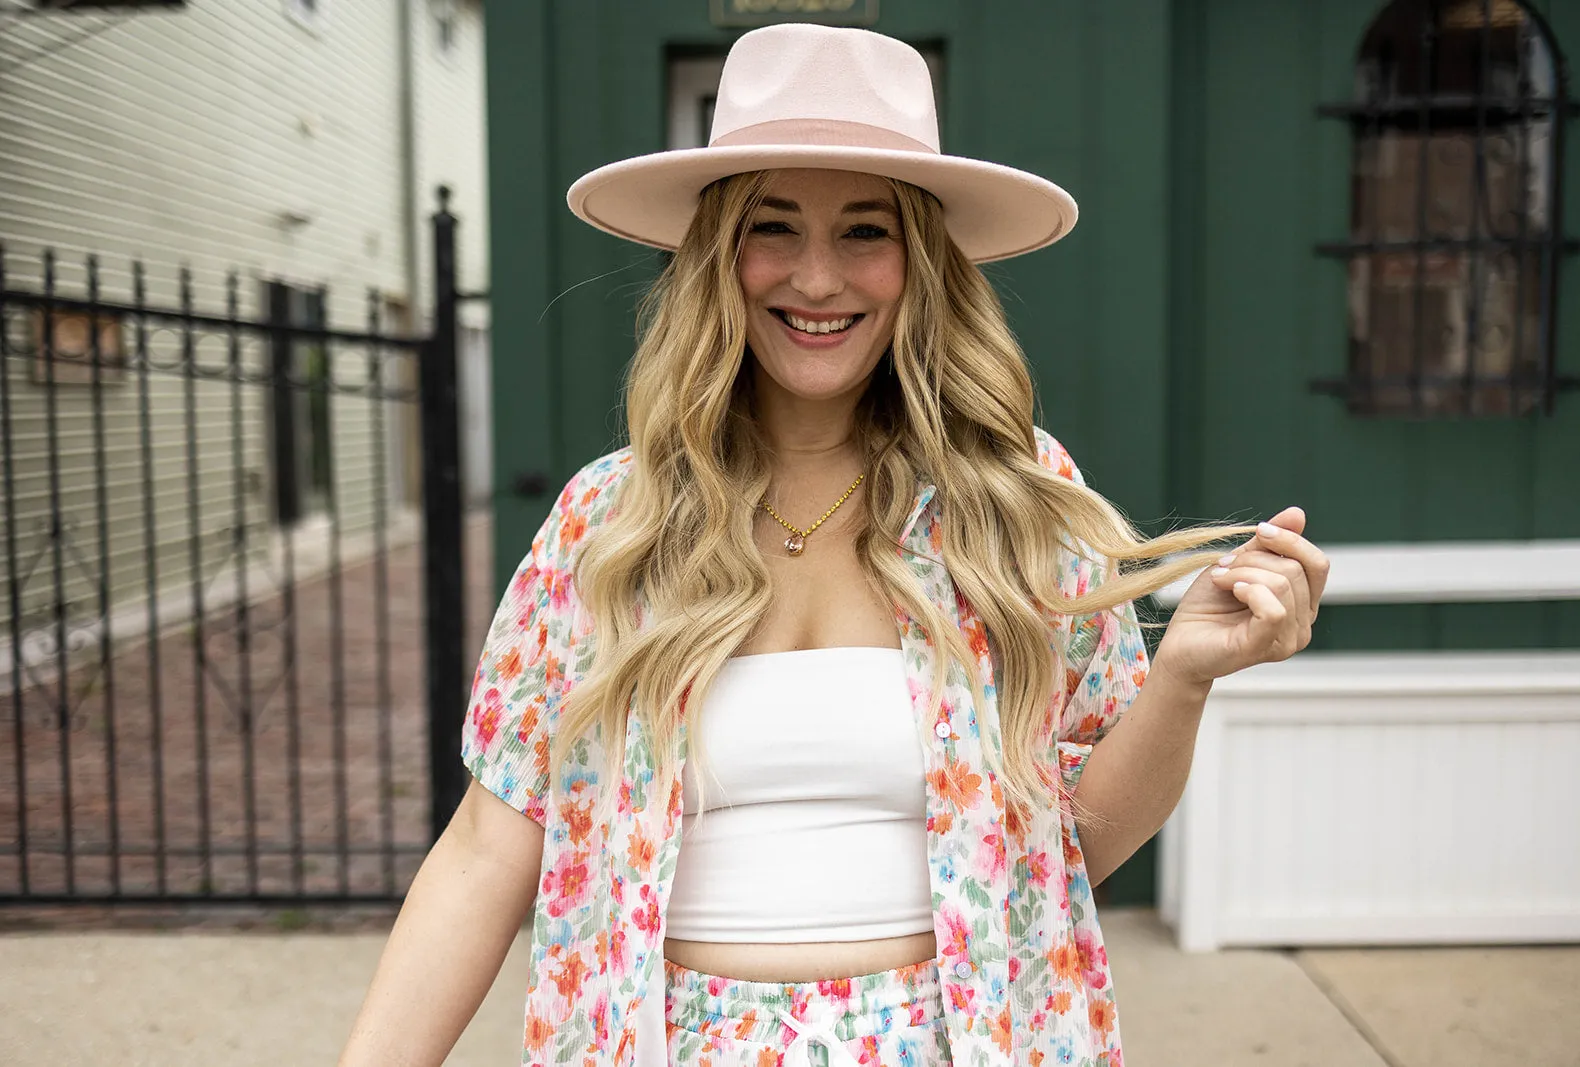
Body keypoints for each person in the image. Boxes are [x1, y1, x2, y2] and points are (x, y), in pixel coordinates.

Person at [339, 22, 1329, 1067]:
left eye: (865, 232)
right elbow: (486, 851)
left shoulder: (1010, 500)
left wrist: (1180, 677)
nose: (817, 278)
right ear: (720, 254)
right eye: (773, 226)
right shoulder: (608, 522)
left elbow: (1077, 841)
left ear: (920, 262)